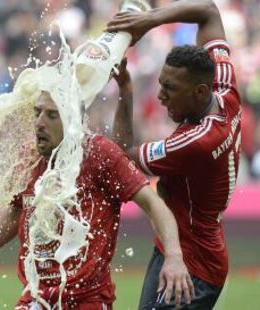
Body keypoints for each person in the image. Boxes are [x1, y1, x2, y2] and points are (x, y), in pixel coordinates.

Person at [0, 89, 194, 309]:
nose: (39, 123)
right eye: (37, 113)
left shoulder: (99, 154)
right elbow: (17, 209)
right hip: (36, 298)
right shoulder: (31, 159)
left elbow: (153, 204)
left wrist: (174, 256)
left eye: (51, 115)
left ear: (72, 122)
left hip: (86, 299)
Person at [107, 0, 242, 309]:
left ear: (199, 93)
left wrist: (125, 93)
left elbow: (122, 155)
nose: (160, 95)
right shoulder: (223, 86)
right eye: (161, 84)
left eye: (170, 87)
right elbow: (208, 10)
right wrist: (149, 20)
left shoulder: (198, 141)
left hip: (194, 267)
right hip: (180, 249)